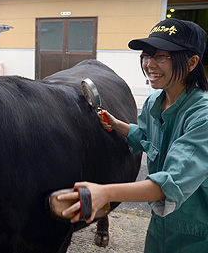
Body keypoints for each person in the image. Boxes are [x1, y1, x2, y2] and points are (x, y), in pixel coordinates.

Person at [56, 18, 208, 252]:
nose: (149, 64)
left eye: (161, 57)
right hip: (160, 223)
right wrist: (117, 124)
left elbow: (170, 183)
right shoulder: (156, 101)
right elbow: (148, 138)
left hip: (196, 232)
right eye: (146, 56)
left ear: (191, 62)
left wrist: (103, 192)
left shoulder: (203, 116)